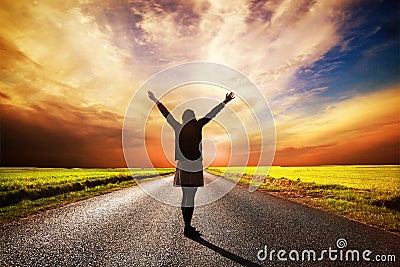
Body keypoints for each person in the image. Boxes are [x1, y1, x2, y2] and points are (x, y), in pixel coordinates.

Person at [148, 90, 235, 237]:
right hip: (194, 166)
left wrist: (156, 100)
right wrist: (225, 102)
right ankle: (188, 226)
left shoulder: (178, 127)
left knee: (185, 195)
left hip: (183, 165)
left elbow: (166, 114)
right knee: (191, 197)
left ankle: (187, 226)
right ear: (193, 118)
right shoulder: (198, 125)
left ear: (183, 118)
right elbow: (211, 114)